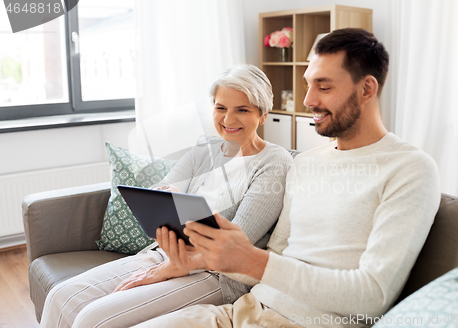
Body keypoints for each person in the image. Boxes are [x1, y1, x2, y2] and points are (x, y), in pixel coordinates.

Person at [131, 28, 441, 328]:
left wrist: (252, 260)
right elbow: (276, 258)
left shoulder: (409, 168)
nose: (307, 99)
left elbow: (373, 295)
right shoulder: (305, 164)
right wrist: (197, 260)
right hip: (245, 312)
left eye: (324, 86)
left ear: (366, 89)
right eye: (308, 84)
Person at [39, 64, 293, 328]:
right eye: (221, 108)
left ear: (262, 115)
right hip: (168, 253)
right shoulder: (206, 147)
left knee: (93, 319)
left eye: (242, 110)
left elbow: (236, 245)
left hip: (217, 274)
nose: (228, 120)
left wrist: (176, 267)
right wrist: (167, 197)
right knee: (61, 297)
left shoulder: (274, 162)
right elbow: (165, 189)